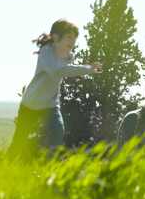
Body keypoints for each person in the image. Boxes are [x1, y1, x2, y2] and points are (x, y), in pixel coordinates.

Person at [8, 19, 102, 157]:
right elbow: (57, 71)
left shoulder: (69, 57)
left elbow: (66, 70)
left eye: (75, 38)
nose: (73, 41)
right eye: (69, 37)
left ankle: (51, 164)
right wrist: (87, 69)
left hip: (51, 105)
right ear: (56, 37)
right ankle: (5, 165)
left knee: (57, 131)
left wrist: (85, 70)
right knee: (20, 141)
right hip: (31, 104)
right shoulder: (46, 52)